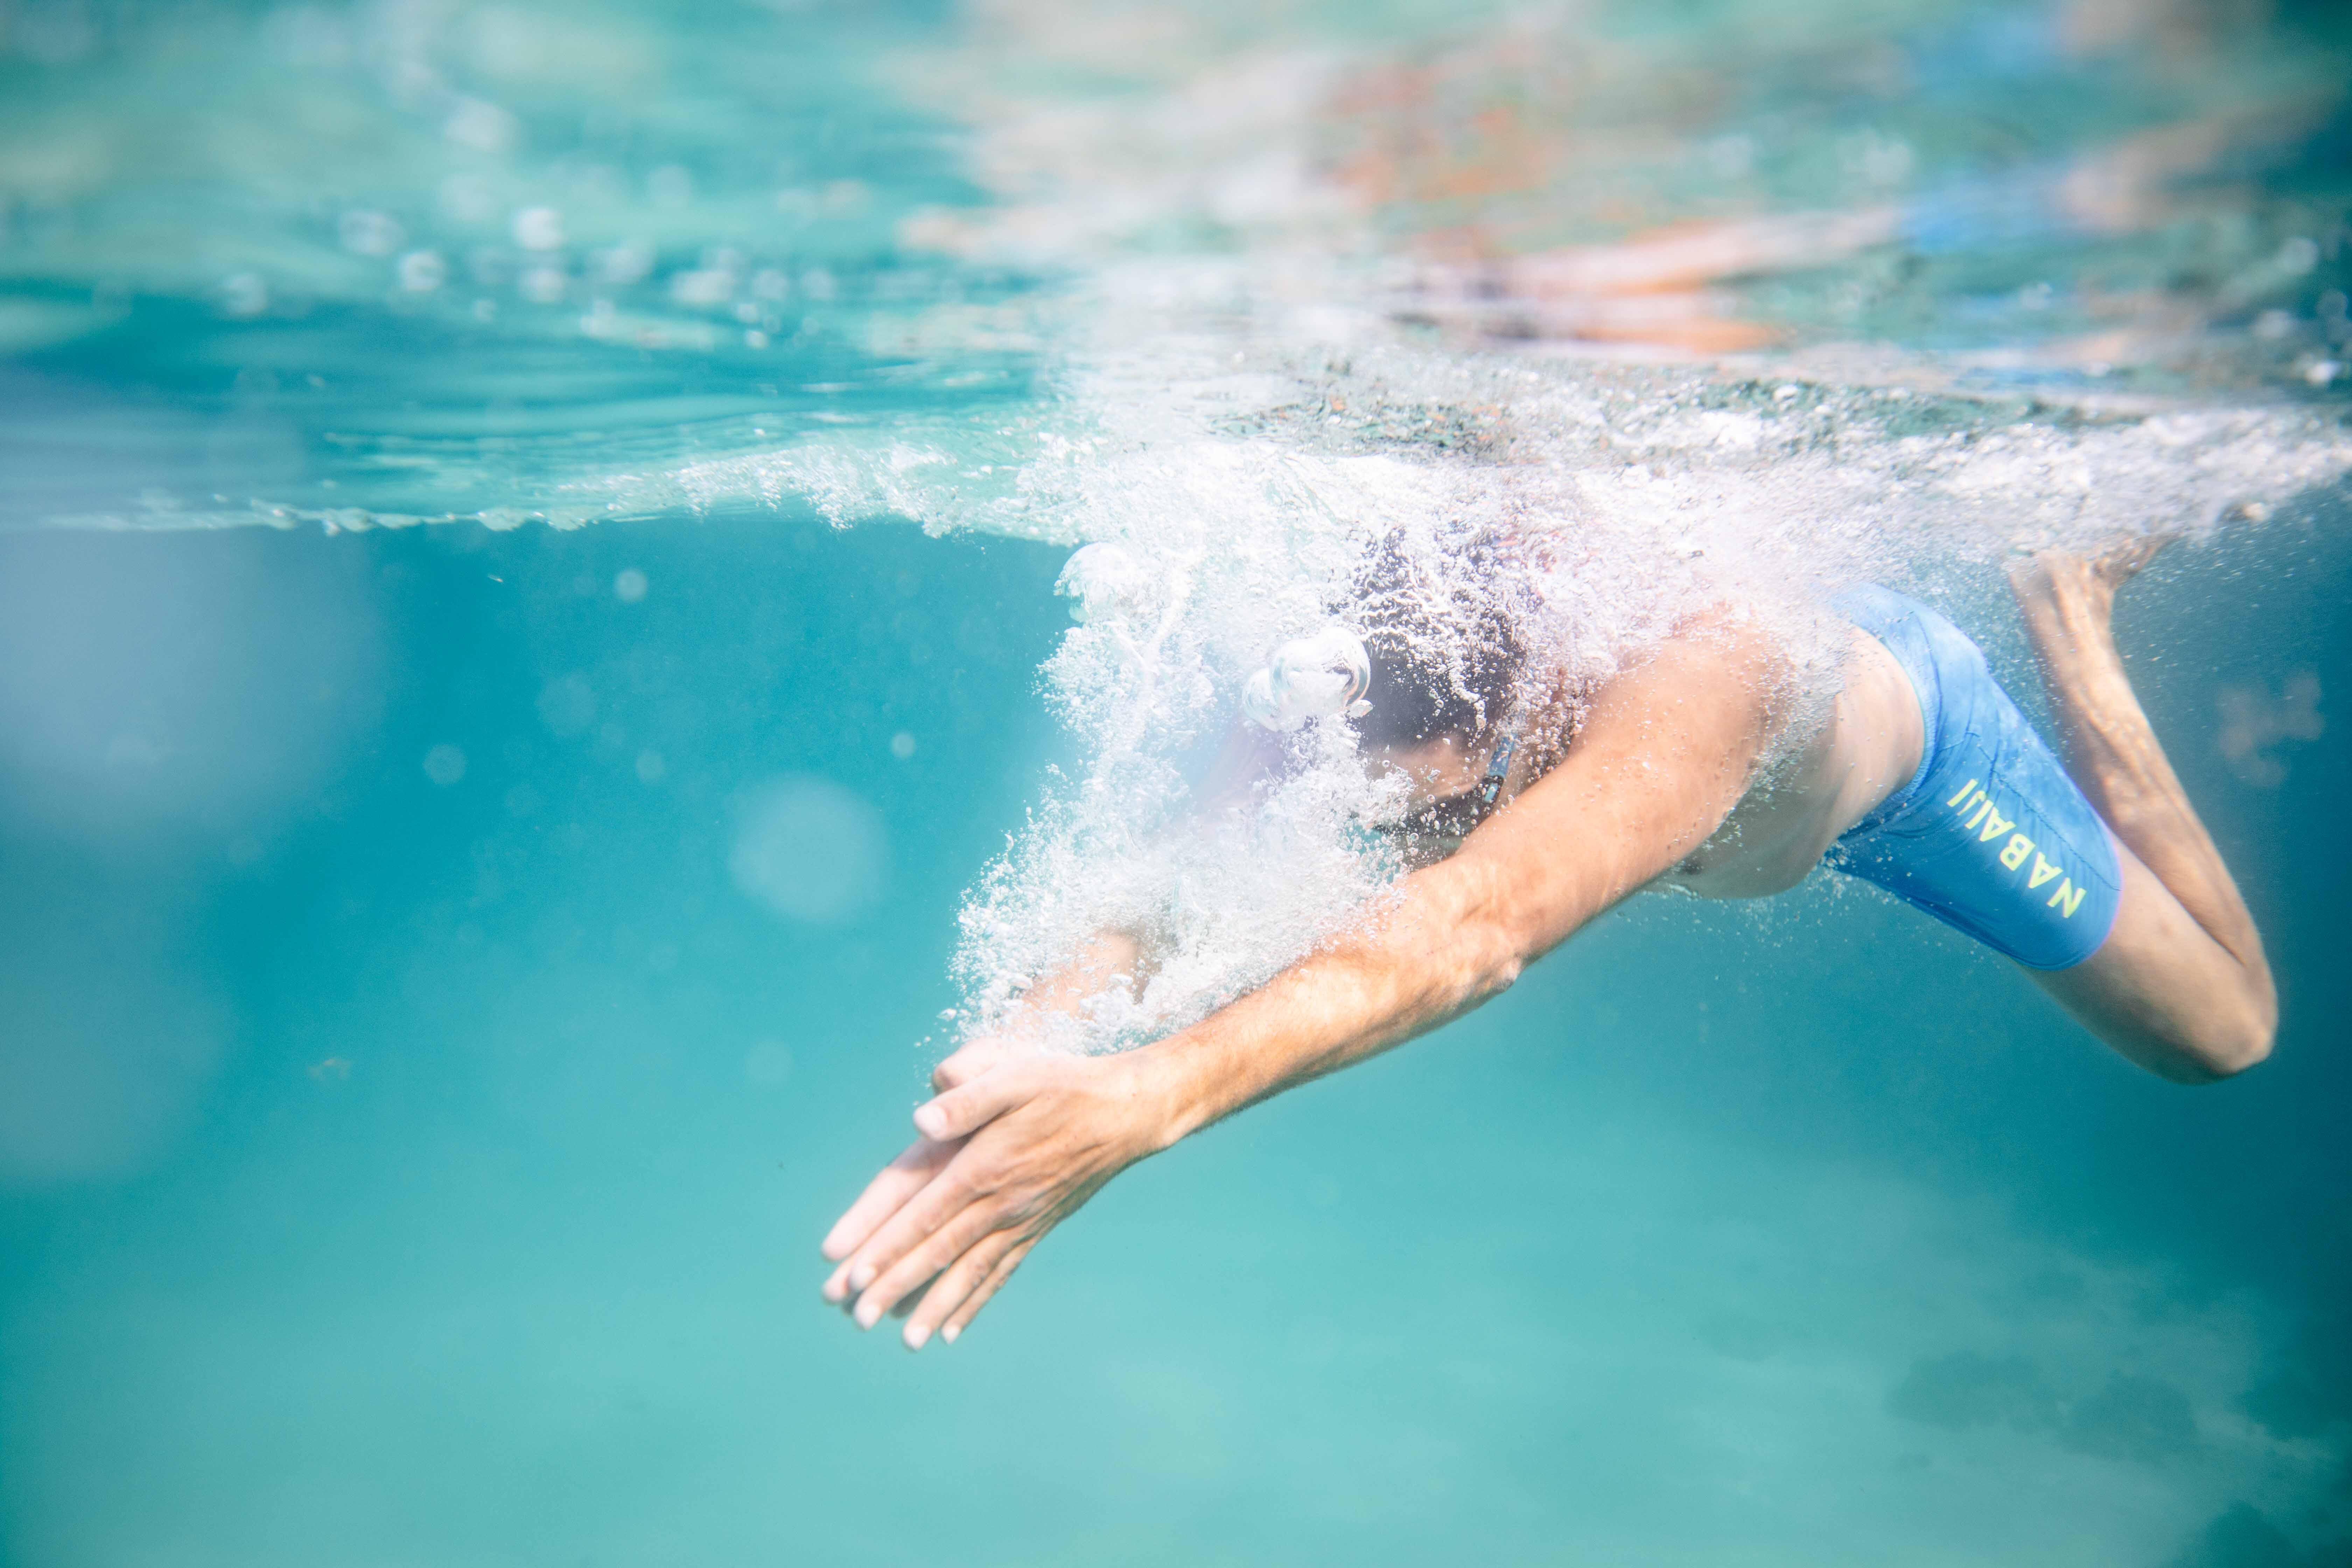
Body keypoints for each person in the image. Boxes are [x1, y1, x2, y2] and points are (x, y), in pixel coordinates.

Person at [819, 536, 2276, 1350]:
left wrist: (1146, 1101)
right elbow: (1174, 883)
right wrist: (1033, 1045)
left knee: (2220, 1035)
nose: (1396, 856)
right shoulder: (1352, 671)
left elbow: (1476, 924)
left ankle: (2069, 609)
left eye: (1426, 817)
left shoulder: (1712, 675)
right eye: (1380, 827)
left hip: (1915, 753)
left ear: (1520, 727)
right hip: (1725, 782)